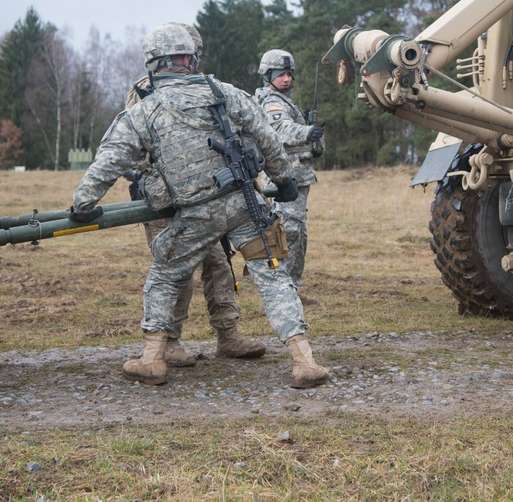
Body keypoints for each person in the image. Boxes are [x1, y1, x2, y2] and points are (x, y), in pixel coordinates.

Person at [71, 23, 329, 389]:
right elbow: (267, 138)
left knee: (165, 272)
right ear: (190, 60)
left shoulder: (144, 111)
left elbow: (108, 161)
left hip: (194, 215)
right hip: (245, 205)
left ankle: (151, 360)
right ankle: (305, 362)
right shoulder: (223, 92)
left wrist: (83, 204)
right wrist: (284, 180)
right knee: (273, 275)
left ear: (154, 64)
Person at [125, 23, 265, 366]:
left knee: (220, 265)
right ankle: (168, 343)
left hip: (207, 196)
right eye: (186, 53)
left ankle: (228, 335)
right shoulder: (144, 92)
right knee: (177, 269)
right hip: (165, 200)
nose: (190, 60)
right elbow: (131, 146)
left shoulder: (208, 90)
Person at [253, 49, 324, 288]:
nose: (286, 79)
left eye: (289, 74)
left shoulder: (284, 101)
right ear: (267, 74)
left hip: (297, 176)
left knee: (296, 230)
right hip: (283, 178)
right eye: (281, 74)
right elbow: (280, 129)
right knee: (289, 230)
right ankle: (285, 283)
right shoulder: (271, 102)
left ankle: (290, 281)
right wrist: (307, 131)